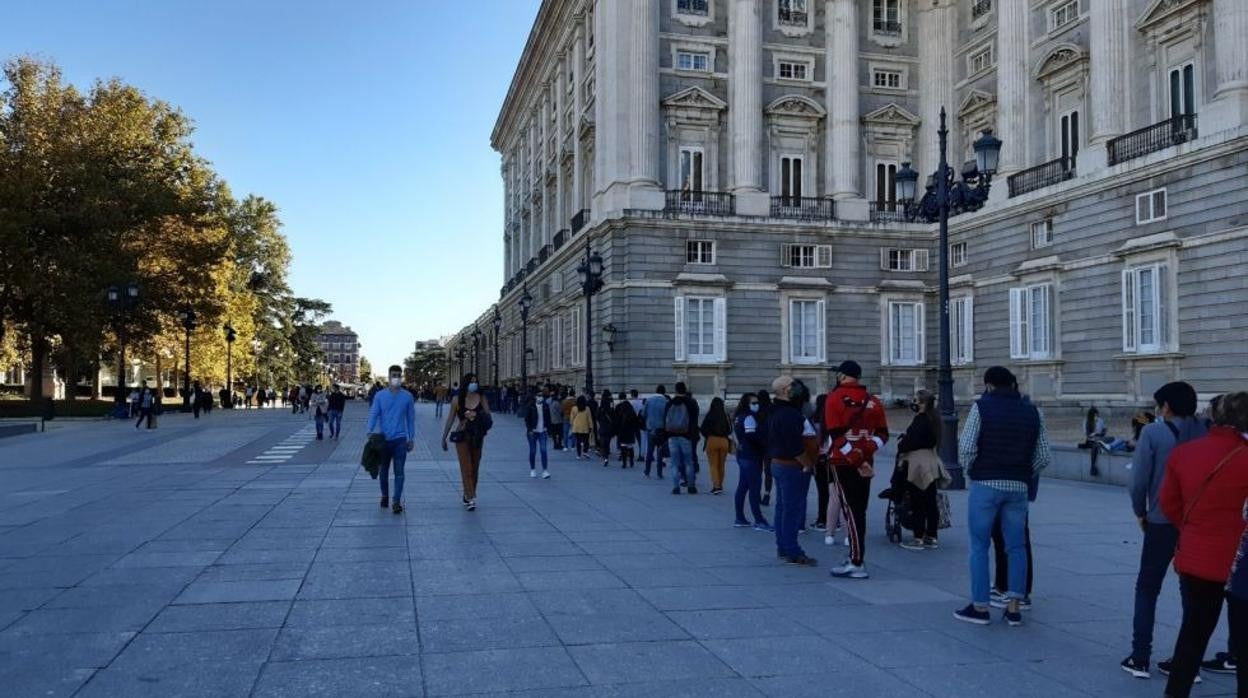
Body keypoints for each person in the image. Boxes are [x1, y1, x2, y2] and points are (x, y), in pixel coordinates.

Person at [1156, 392, 1248, 697]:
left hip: (1198, 557)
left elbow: (1168, 503)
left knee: (1192, 633)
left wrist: (1194, 529)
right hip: (1241, 561)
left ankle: (1176, 691)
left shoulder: (1185, 453)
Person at [1120, 381, 1209, 679]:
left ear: (1166, 406)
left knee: (1148, 587)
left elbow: (1138, 482)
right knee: (1191, 591)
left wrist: (1140, 512)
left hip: (1161, 520)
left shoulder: (1153, 432)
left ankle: (1140, 656)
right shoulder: (1206, 432)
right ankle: (1189, 662)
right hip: (1197, 522)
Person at [954, 366, 1050, 627]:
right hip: (1018, 486)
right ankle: (1014, 606)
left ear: (988, 385)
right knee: (1016, 546)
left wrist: (971, 469)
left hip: (985, 483)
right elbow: (1043, 456)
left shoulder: (982, 408)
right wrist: (1023, 472)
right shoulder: (1032, 411)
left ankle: (980, 606)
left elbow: (966, 446)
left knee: (979, 546)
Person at [824, 360, 889, 580]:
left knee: (850, 511)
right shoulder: (873, 401)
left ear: (842, 375)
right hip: (867, 462)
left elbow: (835, 435)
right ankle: (854, 553)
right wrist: (865, 453)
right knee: (859, 510)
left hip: (844, 462)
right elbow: (883, 435)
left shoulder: (834, 398)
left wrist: (855, 458)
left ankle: (856, 561)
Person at [766, 376, 818, 566]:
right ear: (783, 390)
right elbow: (794, 445)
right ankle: (792, 550)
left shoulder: (775, 411)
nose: (797, 387)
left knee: (782, 508)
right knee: (792, 510)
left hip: (778, 464)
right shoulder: (789, 414)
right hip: (792, 466)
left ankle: (783, 546)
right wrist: (807, 463)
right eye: (792, 385)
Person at [893, 390, 949, 551]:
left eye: (916, 400)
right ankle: (931, 536)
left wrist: (902, 444)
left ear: (923, 403)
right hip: (931, 462)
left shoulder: (921, 420)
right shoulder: (935, 420)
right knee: (930, 502)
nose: (914, 403)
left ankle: (918, 538)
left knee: (917, 501)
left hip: (918, 464)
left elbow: (911, 441)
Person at [366, 365, 416, 515]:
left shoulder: (407, 397)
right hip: (384, 440)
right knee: (383, 472)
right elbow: (373, 414)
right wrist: (369, 431)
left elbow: (411, 419)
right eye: (394, 375)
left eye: (398, 376)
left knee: (399, 472)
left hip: (400, 440)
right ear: (388, 377)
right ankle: (385, 496)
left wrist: (411, 438)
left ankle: (396, 501)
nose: (396, 378)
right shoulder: (380, 396)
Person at [441, 373, 491, 511]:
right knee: (466, 467)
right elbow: (450, 419)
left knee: (475, 467)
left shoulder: (481, 397)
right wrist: (444, 437)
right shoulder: (457, 399)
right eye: (471, 381)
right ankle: (470, 497)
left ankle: (467, 493)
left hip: (478, 436)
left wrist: (477, 414)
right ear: (466, 383)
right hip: (462, 435)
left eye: (476, 381)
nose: (474, 384)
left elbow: (488, 415)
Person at [733, 393, 771, 531]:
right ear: (747, 404)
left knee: (743, 487)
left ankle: (740, 517)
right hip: (751, 456)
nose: (756, 405)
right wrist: (765, 443)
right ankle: (759, 520)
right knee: (754, 488)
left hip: (742, 455)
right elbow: (752, 436)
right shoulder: (749, 417)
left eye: (757, 402)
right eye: (753, 403)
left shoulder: (738, 417)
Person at [664, 382, 699, 495]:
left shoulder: (670, 403)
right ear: (685, 389)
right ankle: (691, 486)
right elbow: (695, 419)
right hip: (687, 436)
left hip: (672, 436)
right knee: (688, 462)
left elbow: (665, 419)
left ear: (676, 390)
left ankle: (675, 487)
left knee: (674, 463)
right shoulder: (692, 402)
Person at [700, 397, 732, 495]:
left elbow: (703, 428)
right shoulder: (725, 415)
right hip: (724, 441)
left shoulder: (710, 415)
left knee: (713, 465)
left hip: (712, 440)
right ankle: (720, 485)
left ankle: (716, 486)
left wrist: (708, 436)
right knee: (721, 465)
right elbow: (730, 430)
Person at [521, 387, 551, 479]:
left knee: (543, 450)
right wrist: (530, 430)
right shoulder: (531, 406)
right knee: (533, 451)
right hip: (533, 432)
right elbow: (527, 419)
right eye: (538, 395)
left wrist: (548, 429)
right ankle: (533, 469)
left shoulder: (545, 406)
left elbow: (548, 418)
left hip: (543, 431)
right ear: (535, 396)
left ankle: (545, 470)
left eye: (541, 395)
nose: (540, 397)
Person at [643, 385, 670, 477]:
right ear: (664, 392)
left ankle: (647, 471)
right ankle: (659, 473)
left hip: (650, 429)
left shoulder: (648, 400)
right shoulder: (666, 402)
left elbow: (644, 414)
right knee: (660, 452)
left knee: (649, 451)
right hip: (661, 430)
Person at [757, 390, 774, 506]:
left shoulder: (757, 411)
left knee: (758, 470)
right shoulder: (773, 409)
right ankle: (767, 494)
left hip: (758, 444)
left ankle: (757, 493)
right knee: (768, 471)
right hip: (771, 444)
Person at [614, 395, 640, 469]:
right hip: (630, 431)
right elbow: (636, 421)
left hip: (622, 431)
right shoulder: (631, 411)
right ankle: (631, 461)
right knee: (630, 447)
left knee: (623, 447)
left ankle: (624, 463)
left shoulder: (620, 410)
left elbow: (617, 421)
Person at [570, 395, 592, 459]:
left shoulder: (574, 408)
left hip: (577, 427)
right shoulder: (587, 408)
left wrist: (572, 424)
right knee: (586, 441)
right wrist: (591, 426)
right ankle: (585, 451)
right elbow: (589, 418)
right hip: (585, 427)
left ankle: (578, 454)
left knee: (578, 441)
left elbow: (572, 418)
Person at [597, 390, 615, 467]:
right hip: (609, 426)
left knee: (603, 441)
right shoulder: (611, 404)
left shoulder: (601, 407)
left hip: (602, 426)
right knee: (607, 441)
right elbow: (613, 415)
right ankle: (606, 453)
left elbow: (597, 416)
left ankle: (605, 456)